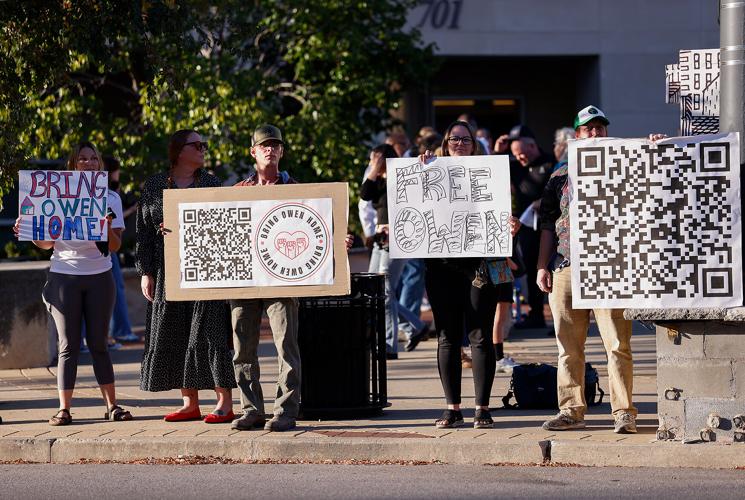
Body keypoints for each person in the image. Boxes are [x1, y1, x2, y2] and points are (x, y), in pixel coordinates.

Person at [14, 141, 133, 426]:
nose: (89, 163)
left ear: (100, 164)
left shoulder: (110, 198)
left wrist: (105, 228)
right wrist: (29, 229)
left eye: (93, 158)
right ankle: (64, 409)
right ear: (72, 164)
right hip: (63, 275)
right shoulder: (56, 197)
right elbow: (45, 244)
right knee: (68, 345)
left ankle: (112, 405)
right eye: (82, 158)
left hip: (99, 276)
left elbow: (115, 246)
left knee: (99, 344)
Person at [537, 105, 637, 434]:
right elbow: (548, 225)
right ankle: (570, 410)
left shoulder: (624, 165)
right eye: (587, 129)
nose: (594, 133)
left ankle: (624, 412)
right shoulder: (558, 176)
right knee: (568, 347)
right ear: (576, 136)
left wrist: (655, 149)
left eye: (599, 128)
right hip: (566, 266)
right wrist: (542, 265)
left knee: (617, 345)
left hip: (609, 266)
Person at [137, 129, 236, 424]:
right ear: (180, 151)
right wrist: (146, 272)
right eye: (197, 145)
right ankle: (189, 402)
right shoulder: (155, 185)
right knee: (177, 331)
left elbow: (224, 225)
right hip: (167, 271)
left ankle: (224, 402)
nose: (203, 149)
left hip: (206, 269)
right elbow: (143, 233)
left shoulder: (211, 183)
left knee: (212, 331)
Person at [418, 121, 505, 429]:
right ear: (445, 142)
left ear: (474, 144)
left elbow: (505, 213)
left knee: (480, 336)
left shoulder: (490, 174)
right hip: (441, 266)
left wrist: (511, 226)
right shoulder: (427, 171)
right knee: (446, 337)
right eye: (454, 138)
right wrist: (421, 173)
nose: (459, 143)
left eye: (465, 139)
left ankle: (482, 408)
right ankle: (452, 409)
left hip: (479, 265)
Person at [361, 144, 429, 358]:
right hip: (381, 238)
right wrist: (374, 169)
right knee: (373, 288)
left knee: (386, 289)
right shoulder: (378, 180)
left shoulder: (401, 176)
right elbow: (365, 195)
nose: (372, 165)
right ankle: (415, 326)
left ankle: (390, 345)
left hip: (398, 237)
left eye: (374, 160)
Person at [508, 129, 555, 330]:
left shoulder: (550, 162)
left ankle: (548, 314)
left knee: (547, 269)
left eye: (522, 152)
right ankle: (535, 313)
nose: (520, 157)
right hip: (524, 225)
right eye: (516, 154)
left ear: (533, 146)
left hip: (547, 225)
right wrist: (497, 149)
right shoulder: (514, 166)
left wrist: (542, 201)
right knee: (529, 269)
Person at [103, 156, 139, 344]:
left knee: (113, 289)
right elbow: (114, 217)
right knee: (115, 289)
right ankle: (118, 331)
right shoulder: (109, 193)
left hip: (107, 246)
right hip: (103, 250)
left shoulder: (111, 195)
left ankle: (112, 333)